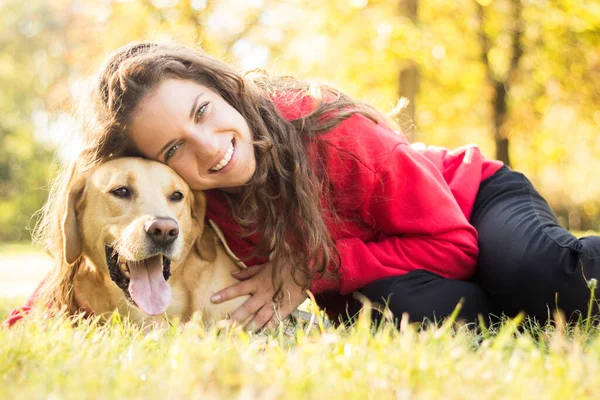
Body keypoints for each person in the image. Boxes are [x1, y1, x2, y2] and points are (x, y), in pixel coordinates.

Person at [7, 41, 600, 331]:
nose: (208, 147)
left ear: (225, 88)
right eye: (172, 151)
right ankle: (514, 308)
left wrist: (308, 267)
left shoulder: (331, 131)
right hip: (395, 274)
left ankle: (537, 279)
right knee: (408, 319)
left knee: (540, 278)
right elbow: (99, 234)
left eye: (203, 111)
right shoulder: (197, 199)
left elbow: (455, 245)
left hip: (469, 208)